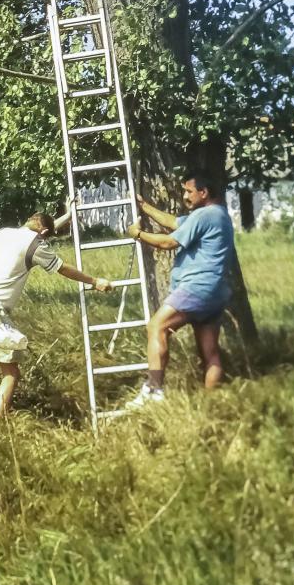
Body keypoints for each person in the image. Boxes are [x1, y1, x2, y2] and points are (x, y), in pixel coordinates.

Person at [0, 206, 114, 426]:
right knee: (11, 374)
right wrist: (95, 281)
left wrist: (66, 216)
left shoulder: (4, 233)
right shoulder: (36, 245)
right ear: (44, 234)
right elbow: (62, 268)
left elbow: (41, 227)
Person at [123, 167, 235, 408]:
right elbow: (174, 223)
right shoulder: (218, 214)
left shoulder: (204, 215)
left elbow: (169, 241)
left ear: (203, 192)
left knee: (157, 326)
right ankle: (211, 405)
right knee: (210, 352)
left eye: (188, 191)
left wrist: (138, 234)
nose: (184, 196)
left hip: (198, 287)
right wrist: (145, 207)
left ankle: (153, 391)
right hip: (216, 292)